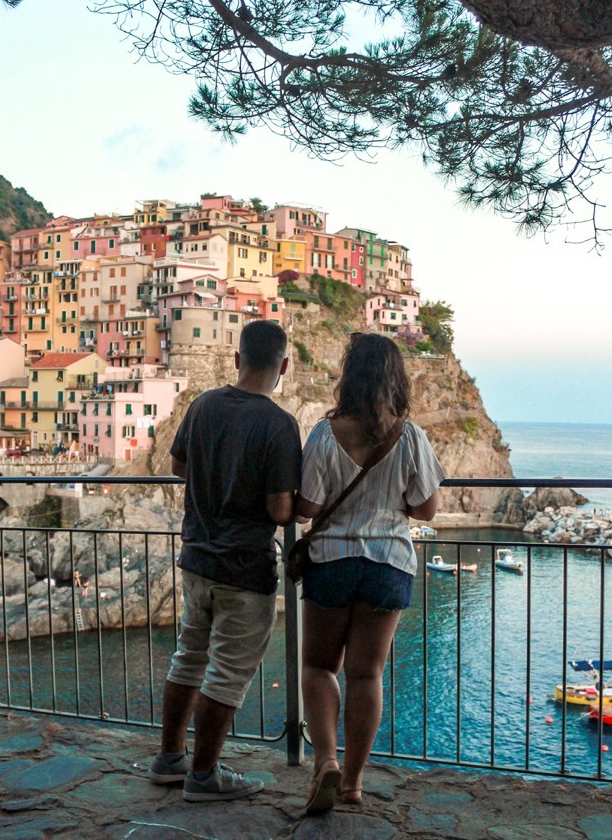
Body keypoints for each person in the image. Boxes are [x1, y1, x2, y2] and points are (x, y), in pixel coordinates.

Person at [150, 320, 302, 802]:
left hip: (196, 558)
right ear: (282, 367)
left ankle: (170, 757)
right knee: (227, 673)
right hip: (243, 568)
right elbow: (280, 511)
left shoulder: (203, 405)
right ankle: (203, 774)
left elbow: (177, 466)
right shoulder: (280, 425)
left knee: (189, 658)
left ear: (237, 360)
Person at [296, 333, 445, 814]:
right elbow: (427, 509)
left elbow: (307, 508)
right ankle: (354, 783)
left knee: (319, 668)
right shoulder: (412, 437)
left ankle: (325, 762)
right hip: (389, 565)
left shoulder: (325, 434)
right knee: (367, 675)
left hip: (333, 561)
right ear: (395, 378)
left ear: (349, 375)